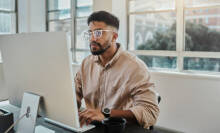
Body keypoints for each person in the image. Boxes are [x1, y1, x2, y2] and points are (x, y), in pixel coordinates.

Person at [74, 10, 159, 129]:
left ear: (114, 37)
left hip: (121, 129)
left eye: (98, 33)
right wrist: (68, 104)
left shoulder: (135, 67)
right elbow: (74, 95)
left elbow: (150, 112)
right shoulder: (86, 64)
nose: (92, 39)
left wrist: (105, 113)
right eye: (90, 33)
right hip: (91, 127)